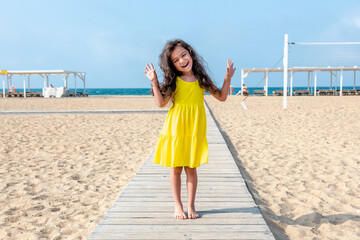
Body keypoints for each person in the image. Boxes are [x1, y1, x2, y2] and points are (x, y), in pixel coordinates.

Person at [144, 39, 236, 220]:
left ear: (190, 53)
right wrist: (154, 82)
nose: (182, 61)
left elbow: (222, 97)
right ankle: (178, 206)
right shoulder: (175, 81)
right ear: (173, 65)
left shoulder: (202, 79)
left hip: (194, 130)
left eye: (183, 55)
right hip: (176, 130)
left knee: (191, 169)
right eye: (176, 60)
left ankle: (191, 205)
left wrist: (227, 78)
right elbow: (161, 103)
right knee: (176, 168)